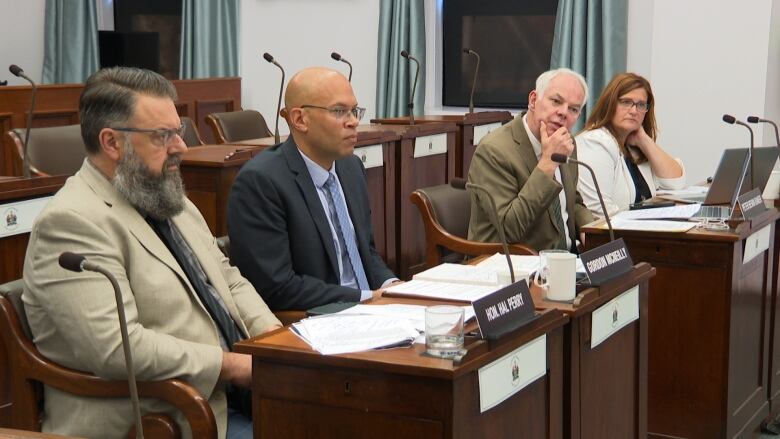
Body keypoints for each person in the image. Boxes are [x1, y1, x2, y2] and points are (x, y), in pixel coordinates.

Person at [22, 67, 280, 439]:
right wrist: (234, 366)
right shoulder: (71, 223)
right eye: (163, 136)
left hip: (233, 397)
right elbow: (117, 348)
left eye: (178, 131)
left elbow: (228, 280)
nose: (181, 147)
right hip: (165, 416)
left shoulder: (169, 199)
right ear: (112, 142)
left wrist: (274, 342)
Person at [227, 67, 397, 311]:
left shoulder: (350, 168)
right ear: (299, 119)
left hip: (369, 308)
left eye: (354, 110)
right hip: (316, 319)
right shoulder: (260, 183)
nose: (354, 122)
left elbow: (364, 252)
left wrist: (392, 285)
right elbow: (277, 286)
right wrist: (366, 298)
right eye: (340, 111)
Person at [467, 68, 594, 252]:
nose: (563, 113)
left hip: (564, 261)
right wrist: (548, 163)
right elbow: (509, 228)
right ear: (533, 100)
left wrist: (590, 231)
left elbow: (572, 201)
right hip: (512, 266)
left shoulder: (566, 142)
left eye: (573, 109)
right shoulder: (494, 150)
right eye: (556, 101)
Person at [575, 72, 685, 216]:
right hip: (614, 235)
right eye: (626, 102)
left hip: (638, 230)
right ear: (610, 104)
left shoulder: (634, 146)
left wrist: (644, 139)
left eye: (641, 105)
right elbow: (599, 212)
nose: (634, 111)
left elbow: (675, 184)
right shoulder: (595, 142)